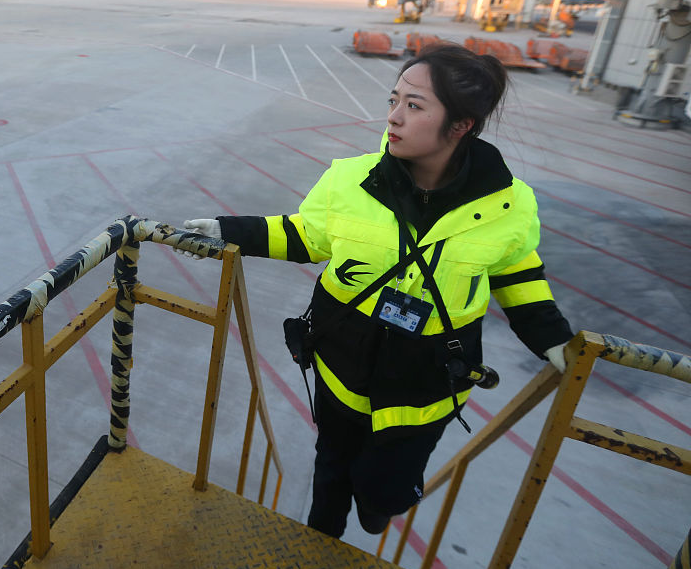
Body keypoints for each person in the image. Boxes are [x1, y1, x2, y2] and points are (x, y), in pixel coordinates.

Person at [182, 44, 573, 539]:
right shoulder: (349, 181)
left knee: (383, 489)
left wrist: (551, 338)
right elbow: (306, 236)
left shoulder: (510, 207)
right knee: (331, 469)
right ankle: (319, 542)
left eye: (414, 106)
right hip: (341, 364)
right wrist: (228, 231)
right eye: (394, 100)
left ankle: (379, 503)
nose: (393, 118)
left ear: (461, 125)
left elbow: (518, 273)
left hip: (427, 381)